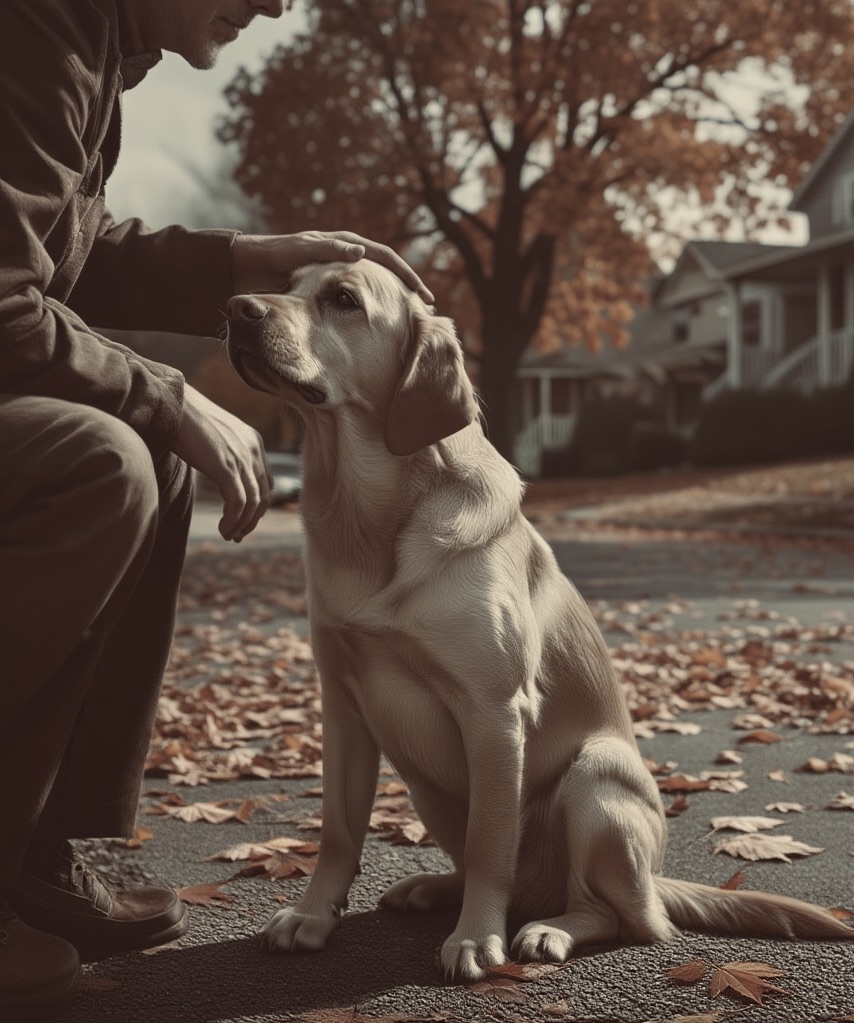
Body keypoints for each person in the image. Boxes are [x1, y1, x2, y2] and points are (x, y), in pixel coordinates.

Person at [0, 1, 432, 1016]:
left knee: (142, 444)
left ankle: (34, 853)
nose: (279, 3)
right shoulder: (32, 28)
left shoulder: (90, 46)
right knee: (103, 454)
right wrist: (170, 392)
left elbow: (67, 247)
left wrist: (253, 259)